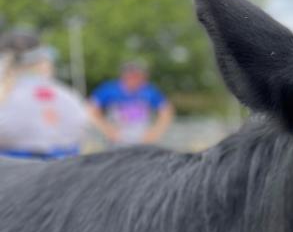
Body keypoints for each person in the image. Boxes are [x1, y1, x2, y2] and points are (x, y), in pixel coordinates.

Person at [0, 30, 93, 160]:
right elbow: (83, 132)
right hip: (66, 171)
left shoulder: (6, 97)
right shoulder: (68, 96)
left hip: (14, 174)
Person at [87, 60, 173, 146]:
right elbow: (91, 109)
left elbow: (166, 111)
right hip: (116, 140)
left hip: (143, 139)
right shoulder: (109, 89)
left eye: (139, 76)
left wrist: (156, 132)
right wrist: (106, 129)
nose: (136, 79)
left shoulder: (149, 90)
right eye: (132, 76)